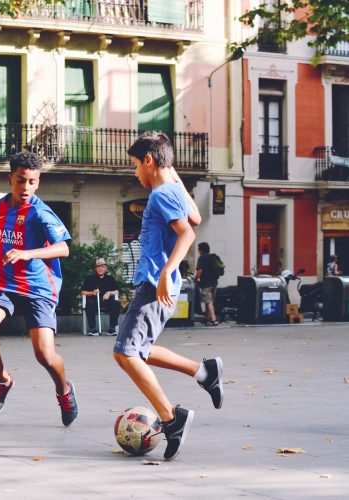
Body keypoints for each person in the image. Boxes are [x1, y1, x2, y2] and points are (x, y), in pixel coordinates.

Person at [113, 131, 224, 461]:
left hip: (154, 283)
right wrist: (171, 169)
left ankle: (172, 418)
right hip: (157, 284)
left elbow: (188, 232)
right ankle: (204, 372)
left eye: (135, 165)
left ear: (148, 161)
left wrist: (165, 271)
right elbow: (197, 218)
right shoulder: (172, 188)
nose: (135, 173)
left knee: (126, 353)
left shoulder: (162, 194)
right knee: (140, 350)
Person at [0, 151, 78, 426]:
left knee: (45, 355)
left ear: (38, 182)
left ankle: (64, 390)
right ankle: (2, 380)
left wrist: (28, 253)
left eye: (32, 181)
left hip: (38, 289)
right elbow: (0, 239)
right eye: (21, 180)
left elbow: (63, 248)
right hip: (5, 284)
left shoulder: (41, 213)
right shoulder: (0, 207)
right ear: (10, 179)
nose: (26, 187)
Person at [81, 258, 121, 336]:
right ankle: (93, 329)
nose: (100, 268)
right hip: (94, 301)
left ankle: (112, 329)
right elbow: (83, 292)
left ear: (106, 268)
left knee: (116, 304)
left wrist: (109, 293)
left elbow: (117, 291)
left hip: (107, 301)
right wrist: (92, 292)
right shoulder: (90, 279)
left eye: (102, 267)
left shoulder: (110, 278)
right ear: (95, 268)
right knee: (89, 304)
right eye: (99, 267)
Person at [194, 242, 219, 326]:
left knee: (208, 302)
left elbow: (199, 271)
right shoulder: (212, 257)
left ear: (201, 250)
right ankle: (207, 319)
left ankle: (213, 319)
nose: (198, 251)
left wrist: (195, 279)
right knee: (209, 301)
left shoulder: (202, 258)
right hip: (214, 283)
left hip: (206, 283)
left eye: (198, 249)